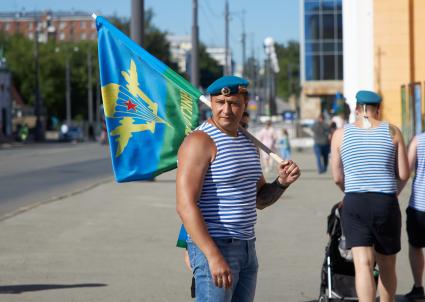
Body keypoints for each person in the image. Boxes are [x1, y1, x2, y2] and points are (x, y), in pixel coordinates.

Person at [176, 75, 300, 302]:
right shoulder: (200, 141)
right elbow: (185, 205)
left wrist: (281, 183)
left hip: (246, 248)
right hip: (214, 244)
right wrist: (212, 256)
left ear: (244, 104)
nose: (226, 110)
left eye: (233, 103)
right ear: (211, 103)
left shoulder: (249, 143)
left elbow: (259, 200)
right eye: (220, 103)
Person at [330, 90, 409, 302]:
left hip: (355, 202)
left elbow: (337, 177)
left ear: (356, 109)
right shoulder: (393, 131)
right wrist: (393, 192)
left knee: (363, 264)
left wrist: (351, 191)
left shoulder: (340, 134)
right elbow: (403, 173)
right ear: (379, 109)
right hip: (385, 202)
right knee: (387, 264)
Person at [404, 132, 425, 299]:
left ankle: (418, 287)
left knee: (416, 246)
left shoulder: (418, 140)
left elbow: (406, 170)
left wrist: (393, 192)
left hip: (419, 204)